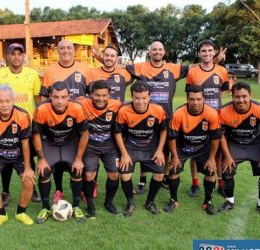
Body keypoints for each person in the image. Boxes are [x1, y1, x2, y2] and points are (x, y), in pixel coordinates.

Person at [126, 41, 189, 194]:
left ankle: (165, 176)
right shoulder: (140, 67)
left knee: (164, 149)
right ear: (149, 52)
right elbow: (118, 69)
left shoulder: (173, 68)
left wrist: (215, 61)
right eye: (154, 49)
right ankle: (142, 180)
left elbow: (198, 68)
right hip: (145, 116)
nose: (157, 52)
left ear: (164, 52)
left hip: (165, 117)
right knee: (144, 145)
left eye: (160, 49)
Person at [0, 43, 41, 205]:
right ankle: (5, 191)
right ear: (8, 56)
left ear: (24, 56)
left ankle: (32, 187)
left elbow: (38, 100)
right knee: (5, 157)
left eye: (20, 54)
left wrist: (38, 122)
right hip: (4, 125)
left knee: (28, 158)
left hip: (26, 124)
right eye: (13, 54)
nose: (16, 57)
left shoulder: (32, 74)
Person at [218, 82, 260, 218]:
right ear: (232, 97)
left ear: (250, 95)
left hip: (255, 144)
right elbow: (220, 135)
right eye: (237, 97)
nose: (241, 100)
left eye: (244, 96)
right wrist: (227, 156)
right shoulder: (224, 111)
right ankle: (229, 201)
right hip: (235, 144)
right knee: (227, 169)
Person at [41, 39, 90, 203]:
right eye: (62, 48)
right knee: (57, 162)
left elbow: (92, 93)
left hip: (77, 120)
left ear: (74, 50)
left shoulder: (84, 69)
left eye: (69, 47)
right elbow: (43, 98)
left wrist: (84, 102)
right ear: (58, 51)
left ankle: (82, 190)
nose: (66, 50)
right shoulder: (50, 70)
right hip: (55, 120)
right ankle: (59, 190)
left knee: (78, 158)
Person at [33, 82, 89, 224]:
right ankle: (45, 208)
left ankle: (76, 206)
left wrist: (78, 158)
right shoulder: (42, 109)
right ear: (50, 96)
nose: (60, 101)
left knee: (77, 169)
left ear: (69, 97)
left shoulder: (77, 108)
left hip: (69, 143)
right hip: (49, 143)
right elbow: (36, 135)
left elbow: (84, 134)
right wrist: (41, 158)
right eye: (56, 97)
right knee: (43, 170)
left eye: (63, 97)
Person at [0, 85, 36, 228]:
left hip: (18, 155)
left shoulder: (23, 115)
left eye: (8, 101)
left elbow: (25, 144)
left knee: (29, 181)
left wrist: (28, 168)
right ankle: (1, 214)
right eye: (0, 101)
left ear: (13, 100)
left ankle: (21, 212)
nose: (4, 105)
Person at [165, 85, 221, 215]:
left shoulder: (211, 113)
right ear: (187, 99)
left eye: (198, 99)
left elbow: (215, 138)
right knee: (173, 170)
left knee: (211, 171)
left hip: (203, 147)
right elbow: (172, 137)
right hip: (182, 146)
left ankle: (208, 202)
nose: (195, 102)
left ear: (204, 99)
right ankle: (173, 200)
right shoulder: (179, 113)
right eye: (192, 99)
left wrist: (212, 158)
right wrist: (174, 156)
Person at [114, 81, 167, 216]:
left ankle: (150, 202)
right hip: (131, 146)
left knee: (160, 172)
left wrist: (160, 150)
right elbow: (117, 133)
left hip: (150, 147)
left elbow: (163, 130)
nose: (140, 102)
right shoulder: (124, 111)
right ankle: (130, 203)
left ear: (149, 97)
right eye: (137, 98)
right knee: (125, 173)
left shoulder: (158, 110)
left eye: (144, 98)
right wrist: (124, 154)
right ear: (132, 97)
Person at [186, 39, 230, 198]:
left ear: (215, 52)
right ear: (199, 53)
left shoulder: (222, 71)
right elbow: (189, 96)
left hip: (216, 118)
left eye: (210, 51)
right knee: (194, 151)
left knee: (216, 152)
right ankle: (195, 183)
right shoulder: (193, 72)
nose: (207, 53)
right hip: (198, 119)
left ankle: (219, 183)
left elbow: (224, 91)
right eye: (203, 51)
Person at [80, 80, 122, 217]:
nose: (101, 98)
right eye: (97, 95)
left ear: (109, 94)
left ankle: (108, 203)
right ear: (91, 94)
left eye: (104, 95)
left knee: (115, 175)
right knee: (89, 175)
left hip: (109, 146)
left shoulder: (117, 105)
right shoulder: (83, 103)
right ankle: (90, 206)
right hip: (90, 145)